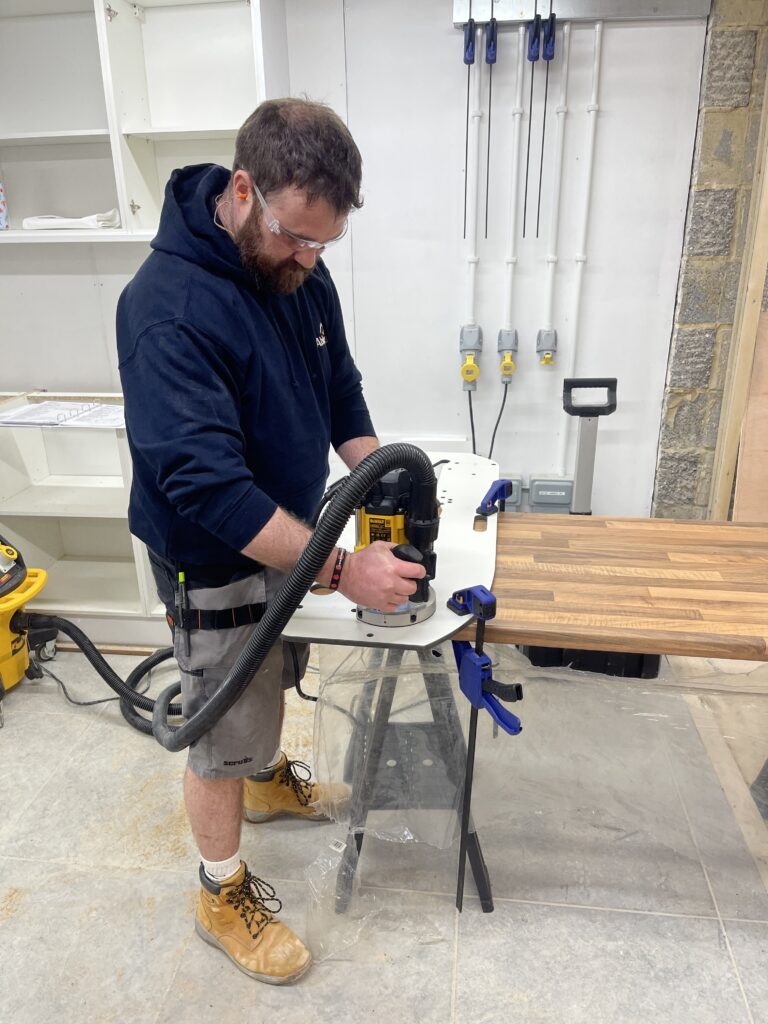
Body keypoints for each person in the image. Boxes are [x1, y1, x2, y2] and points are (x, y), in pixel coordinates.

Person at [116, 98, 425, 985]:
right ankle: (219, 887)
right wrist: (340, 568)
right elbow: (207, 488)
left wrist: (387, 479)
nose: (308, 258)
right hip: (212, 547)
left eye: (324, 243)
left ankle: (267, 779)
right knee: (224, 721)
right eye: (295, 237)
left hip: (288, 532)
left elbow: (341, 391)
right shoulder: (167, 311)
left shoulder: (295, 267)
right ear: (243, 190)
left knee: (276, 670)